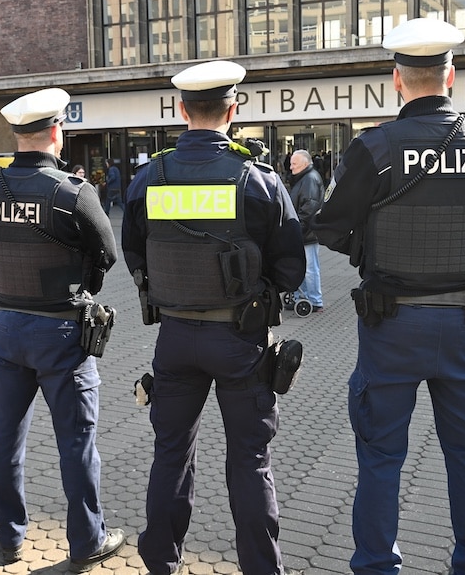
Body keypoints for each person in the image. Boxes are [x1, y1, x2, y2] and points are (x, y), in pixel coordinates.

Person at [313, 18, 465, 575]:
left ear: (396, 79)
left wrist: (376, 245)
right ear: (451, 75)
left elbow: (330, 229)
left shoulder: (374, 147)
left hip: (392, 326)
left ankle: (378, 567)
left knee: (381, 458)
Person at [122, 60, 305, 575]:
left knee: (170, 454)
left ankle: (160, 562)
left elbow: (134, 254)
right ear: (234, 109)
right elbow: (291, 266)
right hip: (240, 340)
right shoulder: (259, 179)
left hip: (174, 338)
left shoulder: (149, 177)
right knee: (250, 461)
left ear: (182, 110)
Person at [0, 88, 124, 571]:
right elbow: (108, 254)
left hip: (8, 328)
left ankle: (9, 536)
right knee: (77, 445)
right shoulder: (72, 192)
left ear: (18, 135)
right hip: (61, 332)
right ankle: (86, 542)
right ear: (57, 132)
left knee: (5, 440)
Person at [288, 149, 325, 312]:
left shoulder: (309, 179)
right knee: (304, 267)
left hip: (306, 233)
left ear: (304, 164)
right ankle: (302, 297)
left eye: (294, 164)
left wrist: (295, 229)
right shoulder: (304, 178)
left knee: (310, 268)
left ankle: (315, 300)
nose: (290, 167)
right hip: (305, 231)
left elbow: (309, 209)